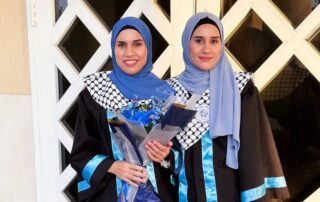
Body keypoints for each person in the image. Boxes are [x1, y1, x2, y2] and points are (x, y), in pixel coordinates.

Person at [167, 12, 290, 201]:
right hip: (184, 194)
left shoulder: (240, 90)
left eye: (214, 41)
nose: (207, 49)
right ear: (186, 44)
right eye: (199, 40)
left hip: (229, 194)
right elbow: (168, 153)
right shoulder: (170, 91)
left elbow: (251, 155)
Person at [70, 17, 176, 202]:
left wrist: (166, 156)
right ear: (113, 48)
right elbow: (81, 153)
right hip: (112, 193)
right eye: (121, 45)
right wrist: (112, 166)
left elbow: (182, 154)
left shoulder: (167, 94)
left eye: (137, 44)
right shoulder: (96, 94)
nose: (129, 53)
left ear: (148, 48)